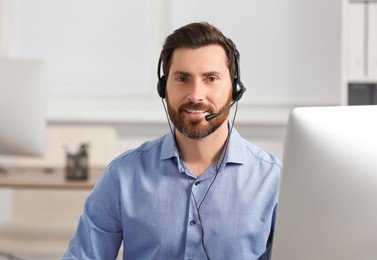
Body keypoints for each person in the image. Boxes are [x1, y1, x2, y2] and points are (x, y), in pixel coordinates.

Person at [63, 22, 282, 260]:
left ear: (234, 89)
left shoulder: (274, 182)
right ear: (163, 88)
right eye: (182, 79)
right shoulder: (124, 175)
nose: (196, 95)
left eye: (211, 78)